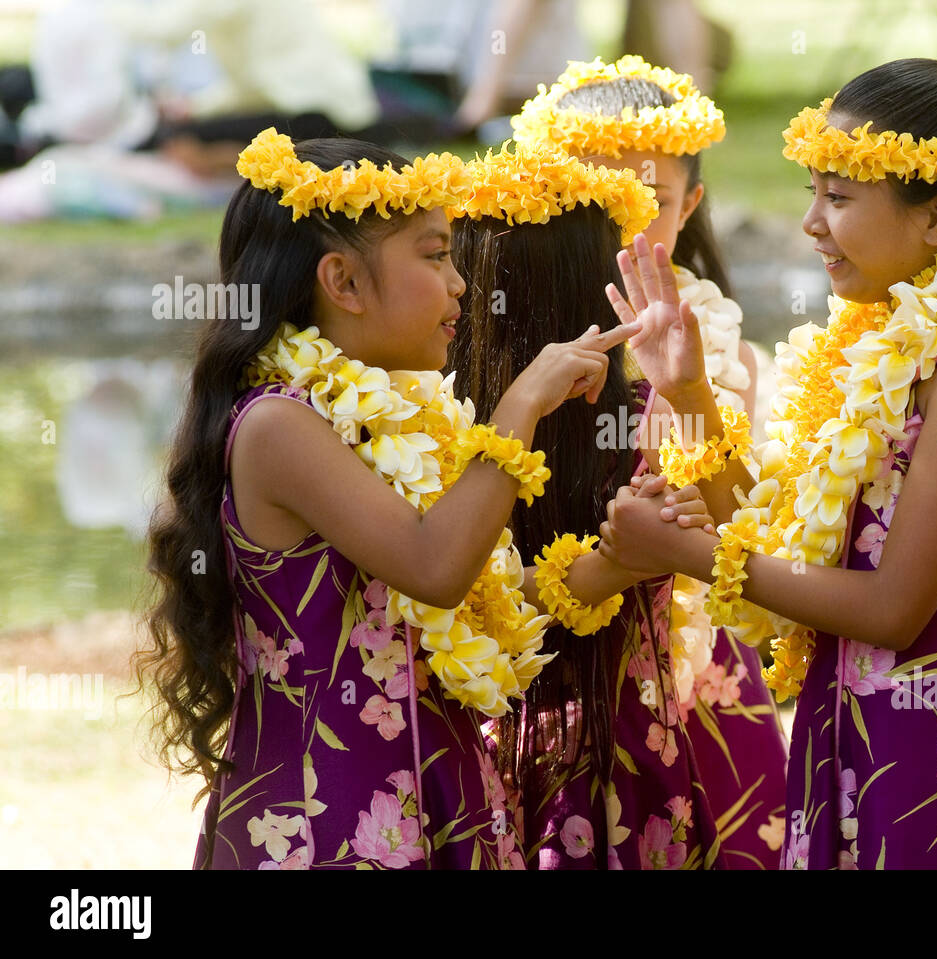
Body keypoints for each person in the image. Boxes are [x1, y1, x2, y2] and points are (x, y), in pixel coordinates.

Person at [138, 129, 650, 868]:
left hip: (431, 784)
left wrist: (621, 556)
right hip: (328, 814)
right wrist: (520, 407)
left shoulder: (403, 416)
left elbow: (469, 598)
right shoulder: (280, 424)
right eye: (436, 254)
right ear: (342, 282)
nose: (461, 284)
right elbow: (433, 564)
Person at [602, 59, 937, 869]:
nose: (810, 223)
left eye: (839, 198)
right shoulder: (870, 337)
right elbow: (788, 550)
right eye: (813, 192)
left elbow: (889, 608)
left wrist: (686, 555)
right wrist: (691, 394)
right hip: (855, 724)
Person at [511, 54, 788, 868]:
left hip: (685, 668)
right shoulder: (495, 315)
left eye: (652, 203)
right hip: (538, 659)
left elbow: (732, 515)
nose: (622, 230)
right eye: (598, 199)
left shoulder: (708, 333)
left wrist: (690, 388)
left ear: (691, 204)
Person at [448, 142, 724, 868]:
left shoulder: (649, 411)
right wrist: (613, 563)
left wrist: (691, 395)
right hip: (589, 756)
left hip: (585, 747)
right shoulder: (429, 431)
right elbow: (460, 593)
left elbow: (741, 537)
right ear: (583, 286)